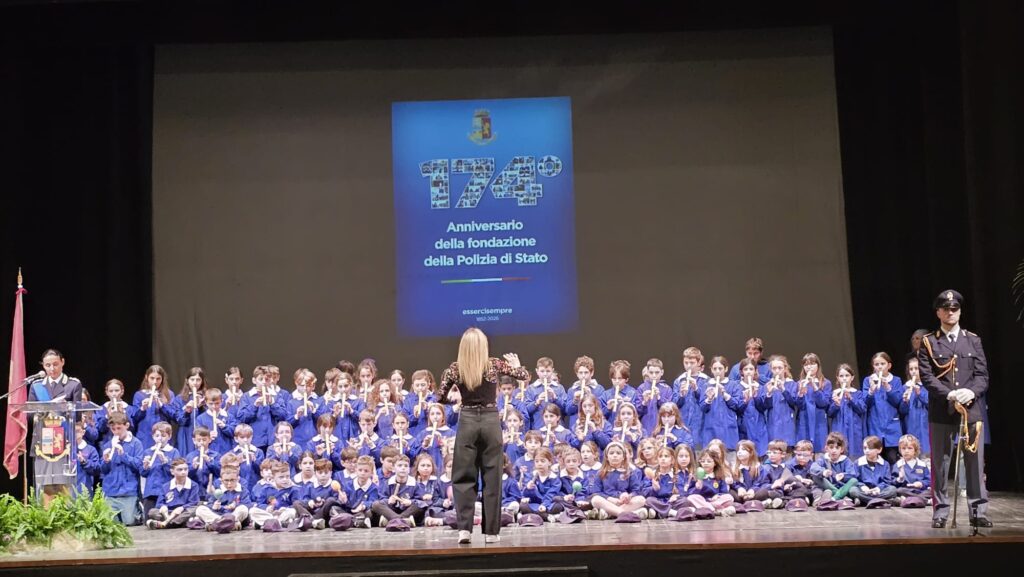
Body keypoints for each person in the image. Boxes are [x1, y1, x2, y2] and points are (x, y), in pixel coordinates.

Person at [438, 327, 528, 544]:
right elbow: (524, 376)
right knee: (492, 476)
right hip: (490, 420)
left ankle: (465, 530)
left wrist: (455, 401)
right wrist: (517, 366)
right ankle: (491, 532)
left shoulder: (455, 369)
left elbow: (440, 396)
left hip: (467, 420)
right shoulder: (494, 364)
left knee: (463, 476)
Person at [917, 289, 991, 528]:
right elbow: (928, 378)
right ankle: (940, 511)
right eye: (946, 309)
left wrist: (971, 392)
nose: (951, 312)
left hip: (971, 409)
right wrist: (949, 394)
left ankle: (978, 510)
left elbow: (982, 375)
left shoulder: (973, 340)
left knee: (974, 464)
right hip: (942, 409)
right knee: (940, 464)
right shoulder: (929, 342)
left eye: (955, 309)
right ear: (938, 312)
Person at [27, 349, 86, 504]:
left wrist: (62, 409)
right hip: (43, 442)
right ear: (43, 366)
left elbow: (78, 416)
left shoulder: (73, 385)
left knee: (63, 484)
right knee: (44, 484)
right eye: (48, 365)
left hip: (63, 441)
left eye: (55, 364)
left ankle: (66, 520)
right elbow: (29, 415)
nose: (52, 369)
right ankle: (46, 520)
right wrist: (46, 409)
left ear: (62, 362)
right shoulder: (36, 386)